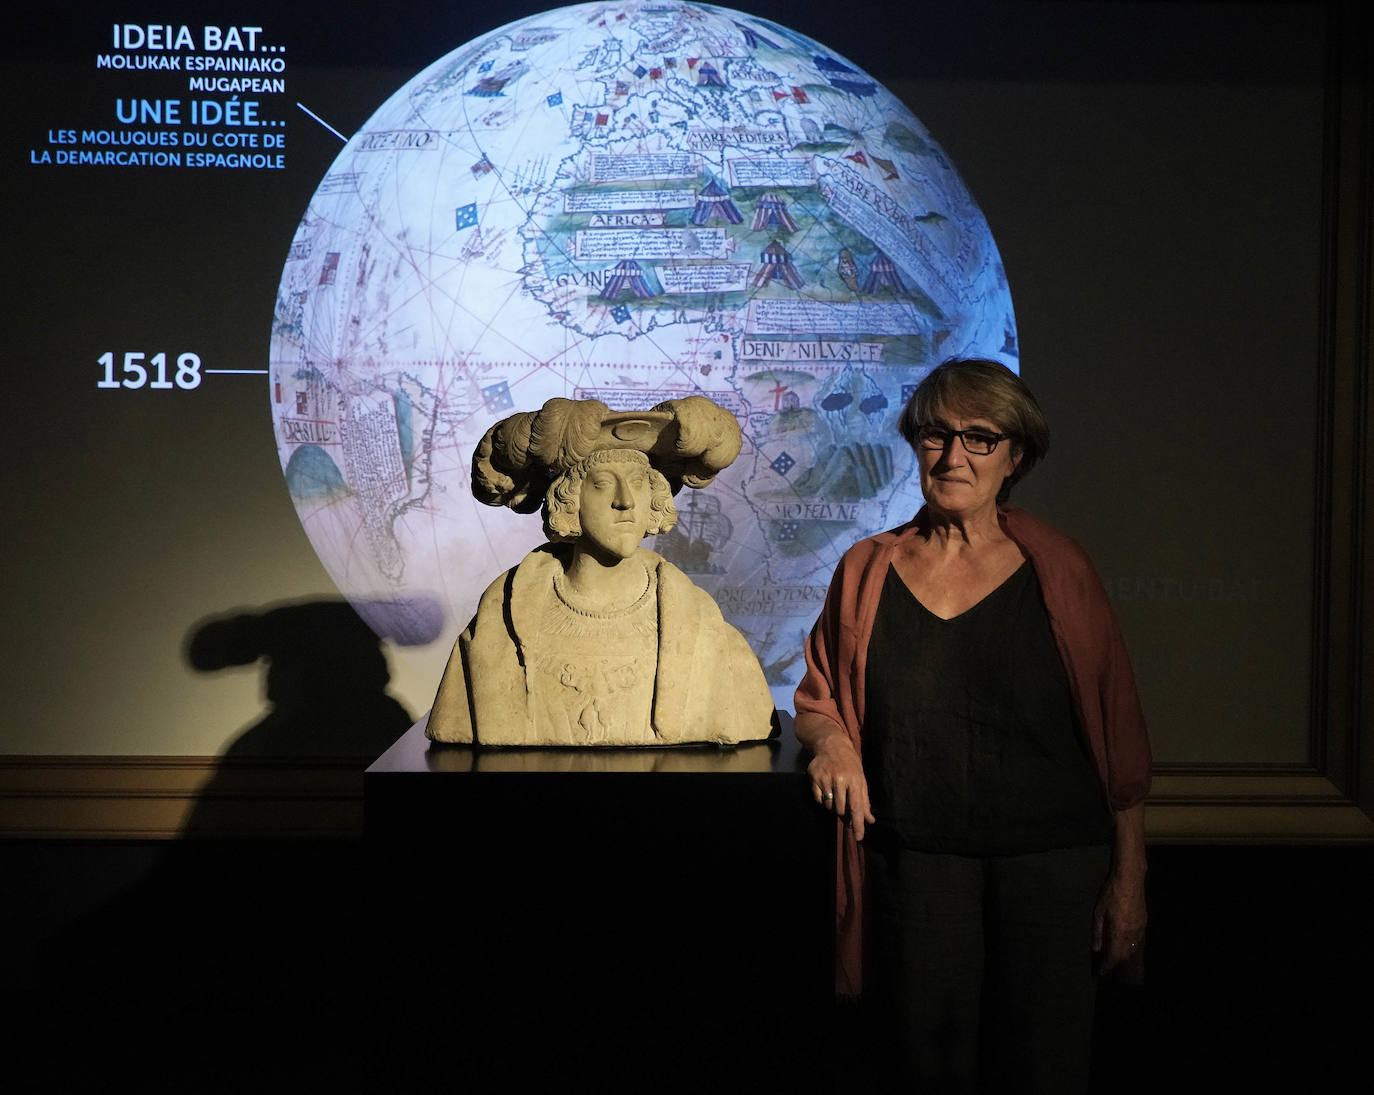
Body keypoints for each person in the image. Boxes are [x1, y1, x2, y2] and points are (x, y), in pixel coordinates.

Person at [794, 359, 1150, 1092]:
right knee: (923, 1072)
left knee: (1043, 1072)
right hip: (917, 868)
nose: (954, 456)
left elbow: (1120, 741)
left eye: (980, 438)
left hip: (1053, 869)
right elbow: (819, 696)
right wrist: (831, 743)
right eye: (936, 434)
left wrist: (1130, 879)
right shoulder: (867, 568)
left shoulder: (1060, 568)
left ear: (1016, 456)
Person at [427, 395, 775, 747]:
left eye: (638, 482)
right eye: (603, 483)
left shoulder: (705, 630)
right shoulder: (498, 628)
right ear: (569, 501)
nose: (624, 500)